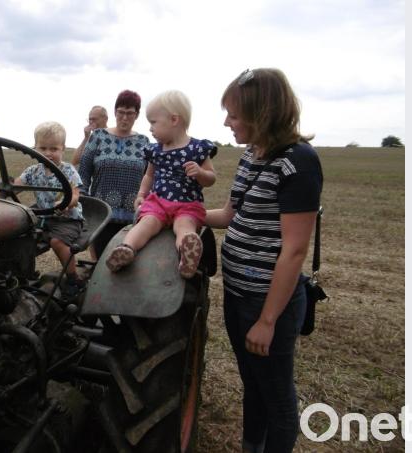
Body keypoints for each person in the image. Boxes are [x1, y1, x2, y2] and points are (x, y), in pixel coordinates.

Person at [205, 68, 323, 453]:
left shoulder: (298, 162)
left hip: (266, 303)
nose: (227, 122)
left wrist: (268, 320)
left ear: (263, 112)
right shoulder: (252, 155)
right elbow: (228, 215)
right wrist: (177, 214)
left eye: (234, 115)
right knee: (252, 384)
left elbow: (294, 250)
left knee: (277, 397)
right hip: (238, 293)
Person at [105, 90, 216, 279]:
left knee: (184, 226)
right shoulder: (155, 150)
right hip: (158, 202)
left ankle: (187, 252)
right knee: (146, 224)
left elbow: (211, 178)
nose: (150, 129)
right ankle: (127, 248)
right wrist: (141, 194)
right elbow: (149, 175)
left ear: (174, 120)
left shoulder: (197, 148)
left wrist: (201, 173)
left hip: (187, 204)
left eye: (153, 122)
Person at [15, 121, 86, 296]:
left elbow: (76, 195)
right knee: (19, 236)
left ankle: (72, 278)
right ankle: (26, 275)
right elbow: (15, 185)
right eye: (43, 148)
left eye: (53, 149)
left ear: (62, 148)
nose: (48, 153)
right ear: (35, 149)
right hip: (42, 216)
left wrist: (66, 202)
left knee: (57, 242)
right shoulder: (33, 171)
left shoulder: (68, 170)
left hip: (66, 218)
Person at [78, 90, 151, 259]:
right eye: (121, 112)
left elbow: (150, 178)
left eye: (130, 113)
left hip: (133, 219)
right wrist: (84, 202)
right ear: (115, 112)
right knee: (100, 264)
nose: (125, 118)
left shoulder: (144, 142)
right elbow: (84, 172)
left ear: (137, 115)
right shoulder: (98, 137)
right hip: (102, 215)